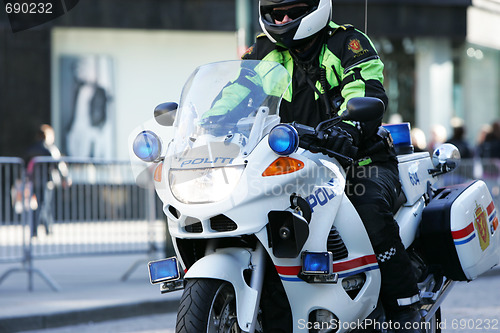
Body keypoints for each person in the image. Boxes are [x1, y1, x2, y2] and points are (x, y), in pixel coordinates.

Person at [241, 1, 422, 331]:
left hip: (359, 160)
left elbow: (365, 87)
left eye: (291, 11)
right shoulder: (263, 50)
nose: (281, 19)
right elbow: (236, 93)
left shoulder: (345, 42)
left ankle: (406, 307)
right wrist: (208, 123)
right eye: (275, 14)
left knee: (369, 212)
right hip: (290, 166)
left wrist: (347, 127)